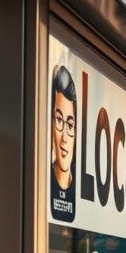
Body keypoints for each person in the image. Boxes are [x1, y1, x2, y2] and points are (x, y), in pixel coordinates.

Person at [50, 65, 78, 223]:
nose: (65, 138)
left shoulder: (79, 190)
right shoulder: (45, 185)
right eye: (59, 120)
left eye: (70, 124)